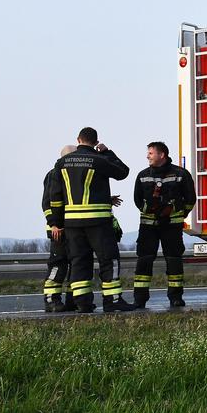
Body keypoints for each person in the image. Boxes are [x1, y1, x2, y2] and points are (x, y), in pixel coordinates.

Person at [48, 127, 132, 312]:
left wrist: (56, 222)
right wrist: (108, 152)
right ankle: (112, 300)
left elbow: (55, 196)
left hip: (72, 224)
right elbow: (123, 172)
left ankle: (82, 303)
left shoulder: (61, 164)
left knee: (79, 261)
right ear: (95, 142)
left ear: (78, 139)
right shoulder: (99, 160)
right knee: (109, 260)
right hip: (98, 221)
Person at [132, 141, 196, 308]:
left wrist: (176, 212)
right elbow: (138, 200)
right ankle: (139, 299)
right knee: (144, 261)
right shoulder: (142, 175)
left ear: (162, 155)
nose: (147, 156)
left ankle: (176, 298)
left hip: (172, 226)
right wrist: (151, 209)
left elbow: (190, 200)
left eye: (151, 153)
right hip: (148, 226)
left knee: (174, 260)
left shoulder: (181, 174)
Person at [41, 145, 78, 312]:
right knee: (59, 264)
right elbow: (47, 203)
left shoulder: (72, 173)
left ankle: (73, 299)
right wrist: (54, 224)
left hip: (74, 227)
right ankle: (51, 299)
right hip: (59, 228)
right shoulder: (54, 174)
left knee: (76, 264)